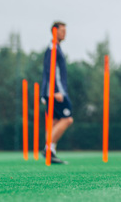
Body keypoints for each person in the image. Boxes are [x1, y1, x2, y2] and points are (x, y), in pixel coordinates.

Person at [41, 22, 73, 164]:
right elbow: (50, 70)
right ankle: (48, 148)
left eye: (65, 30)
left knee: (54, 122)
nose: (64, 33)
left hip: (52, 91)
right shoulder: (53, 48)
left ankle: (51, 152)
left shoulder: (56, 47)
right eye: (62, 30)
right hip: (55, 91)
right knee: (67, 119)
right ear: (55, 31)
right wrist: (56, 91)